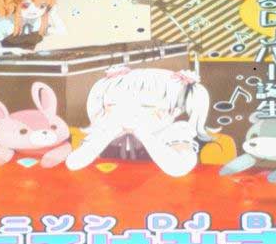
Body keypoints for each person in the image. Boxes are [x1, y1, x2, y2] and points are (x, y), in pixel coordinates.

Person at [65, 66, 213, 177]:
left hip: (163, 198)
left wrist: (143, 134)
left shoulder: (175, 131)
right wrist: (109, 133)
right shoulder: (107, 129)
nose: (128, 113)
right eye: (114, 105)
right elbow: (73, 163)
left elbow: (180, 167)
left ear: (173, 111)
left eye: (145, 107)